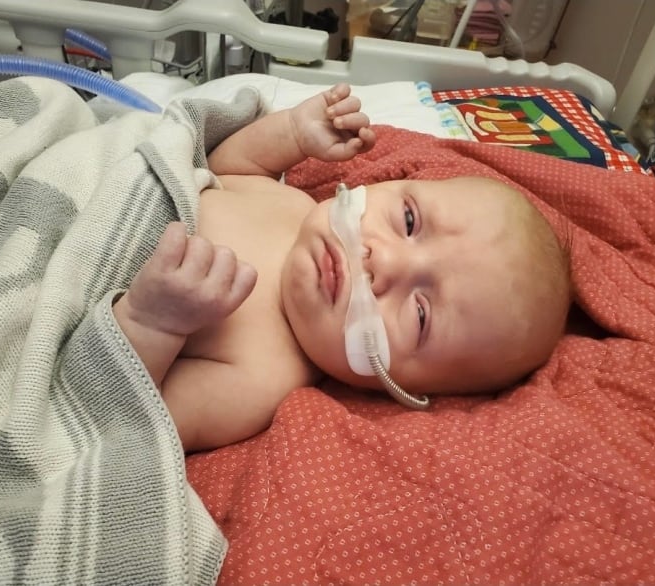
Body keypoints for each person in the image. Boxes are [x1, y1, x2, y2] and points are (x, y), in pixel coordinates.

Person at [112, 83, 571, 452]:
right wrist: (293, 132)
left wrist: (154, 322)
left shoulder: (260, 376)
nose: (381, 261)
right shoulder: (291, 202)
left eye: (420, 313)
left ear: (397, 389)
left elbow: (130, 414)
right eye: (409, 222)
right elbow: (226, 167)